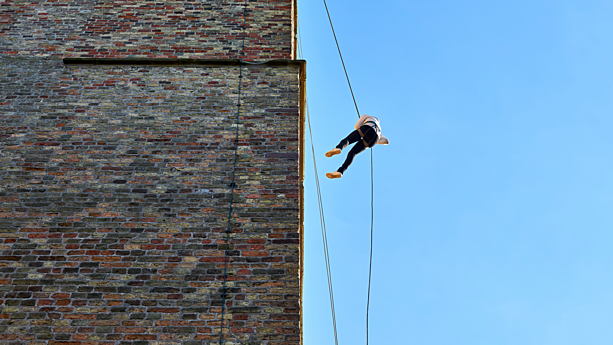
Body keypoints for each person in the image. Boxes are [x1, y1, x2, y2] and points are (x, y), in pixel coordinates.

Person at [325, 114, 389, 179]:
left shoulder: (366, 116)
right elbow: (386, 141)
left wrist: (363, 132)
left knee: (348, 140)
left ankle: (338, 148)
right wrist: (376, 140)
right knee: (352, 153)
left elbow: (357, 126)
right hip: (374, 139)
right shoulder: (379, 129)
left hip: (366, 128)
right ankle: (340, 172)